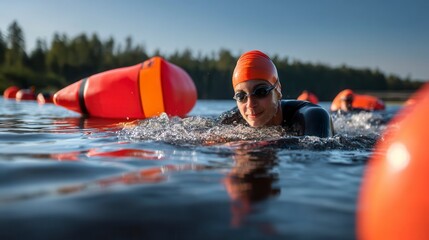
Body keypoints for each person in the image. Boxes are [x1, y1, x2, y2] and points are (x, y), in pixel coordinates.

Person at [217, 50, 333, 138]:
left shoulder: (313, 117)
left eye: (261, 92)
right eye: (241, 96)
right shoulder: (230, 120)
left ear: (278, 91)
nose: (250, 104)